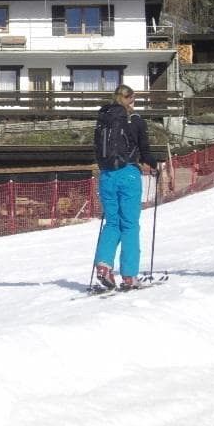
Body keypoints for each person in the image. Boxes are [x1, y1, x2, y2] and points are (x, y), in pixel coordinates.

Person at [93, 84, 159, 290]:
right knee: (130, 224)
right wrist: (154, 164)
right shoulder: (135, 120)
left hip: (106, 175)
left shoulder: (104, 119)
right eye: (134, 99)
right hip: (128, 174)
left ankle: (104, 265)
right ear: (130, 99)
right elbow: (145, 151)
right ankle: (129, 275)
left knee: (112, 223)